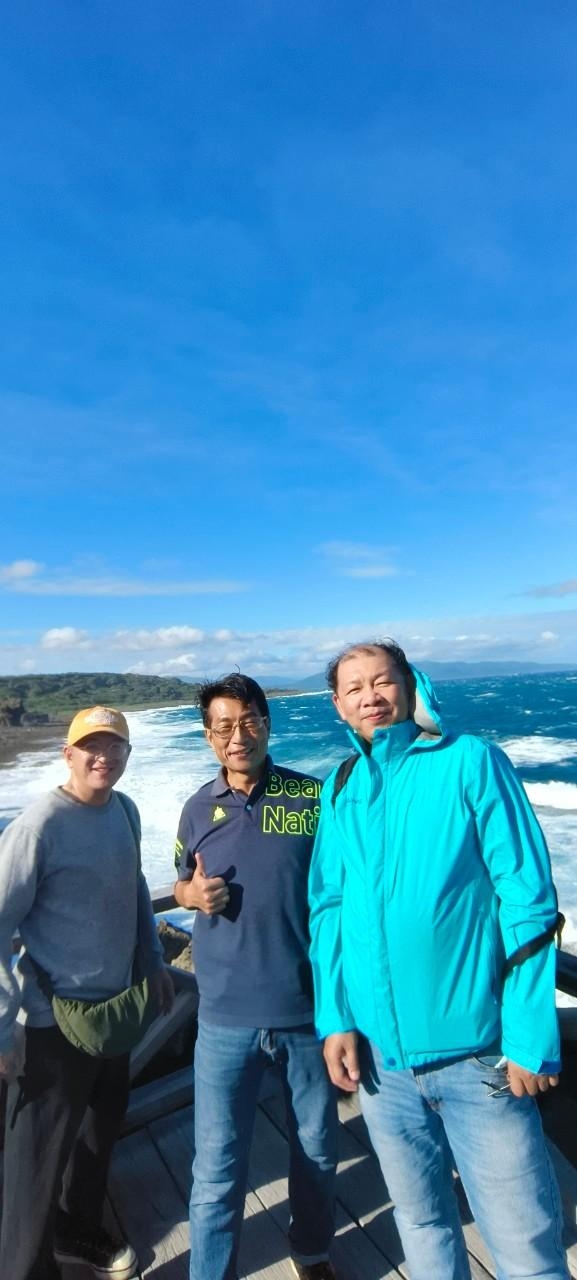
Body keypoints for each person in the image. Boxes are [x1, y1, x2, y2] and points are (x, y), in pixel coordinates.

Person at [308, 640, 569, 1280]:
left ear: (409, 684)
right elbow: (329, 907)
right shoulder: (341, 785)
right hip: (383, 1068)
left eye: (382, 680)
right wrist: (336, 1018)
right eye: (354, 688)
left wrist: (531, 1032)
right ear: (338, 706)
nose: (370, 696)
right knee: (422, 1225)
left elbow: (526, 897)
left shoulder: (470, 760)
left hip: (479, 1059)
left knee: (526, 1250)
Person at [0, 705, 174, 1280]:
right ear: (68, 754)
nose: (104, 756)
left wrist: (154, 963)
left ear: (127, 754)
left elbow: (136, 887)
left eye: (115, 746)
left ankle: (77, 1232)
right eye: (91, 746)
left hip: (114, 1013)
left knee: (98, 1135)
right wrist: (1, 1029)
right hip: (50, 1024)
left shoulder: (125, 810)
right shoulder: (38, 828)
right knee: (35, 1167)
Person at [173, 673, 338, 1280]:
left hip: (307, 1012)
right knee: (217, 1168)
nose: (237, 736)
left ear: (268, 724)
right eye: (223, 726)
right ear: (208, 735)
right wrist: (191, 895)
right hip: (223, 1018)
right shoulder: (196, 808)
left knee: (317, 1150)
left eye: (248, 722)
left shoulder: (312, 797)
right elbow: (179, 881)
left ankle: (312, 1253)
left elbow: (344, 889)